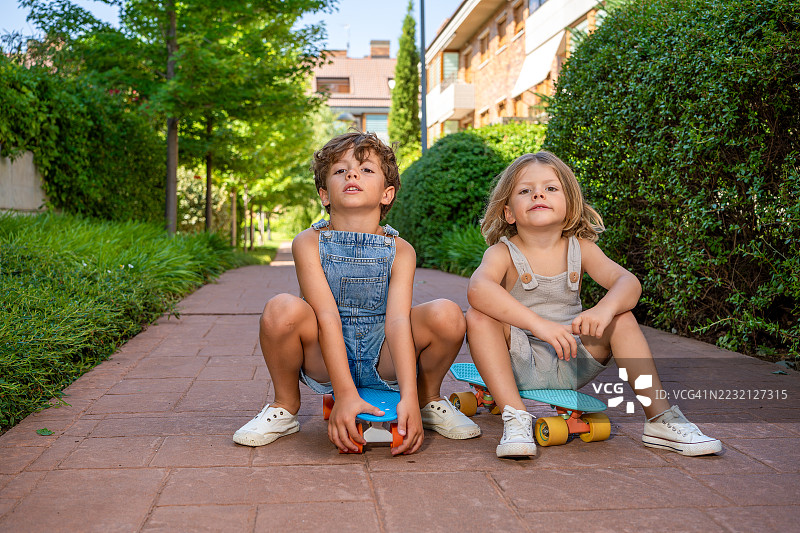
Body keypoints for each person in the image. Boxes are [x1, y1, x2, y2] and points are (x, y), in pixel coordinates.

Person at [233, 131, 480, 455]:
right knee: (281, 309)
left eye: (366, 169)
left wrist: (406, 395)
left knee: (447, 315)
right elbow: (326, 316)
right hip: (323, 353)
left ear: (387, 193)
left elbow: (397, 323)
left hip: (383, 356)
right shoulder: (308, 242)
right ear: (324, 194)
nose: (352, 174)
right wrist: (345, 394)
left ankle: (425, 399)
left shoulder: (401, 250)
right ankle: (285, 405)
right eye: (340, 170)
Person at [466, 151, 722, 458]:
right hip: (516, 360)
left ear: (570, 204)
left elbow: (628, 282)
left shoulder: (581, 249)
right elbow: (478, 288)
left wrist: (604, 309)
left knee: (622, 318)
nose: (538, 194)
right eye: (525, 190)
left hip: (572, 357)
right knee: (479, 315)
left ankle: (660, 419)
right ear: (509, 213)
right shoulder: (502, 253)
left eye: (551, 188)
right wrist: (539, 325)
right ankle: (516, 417)